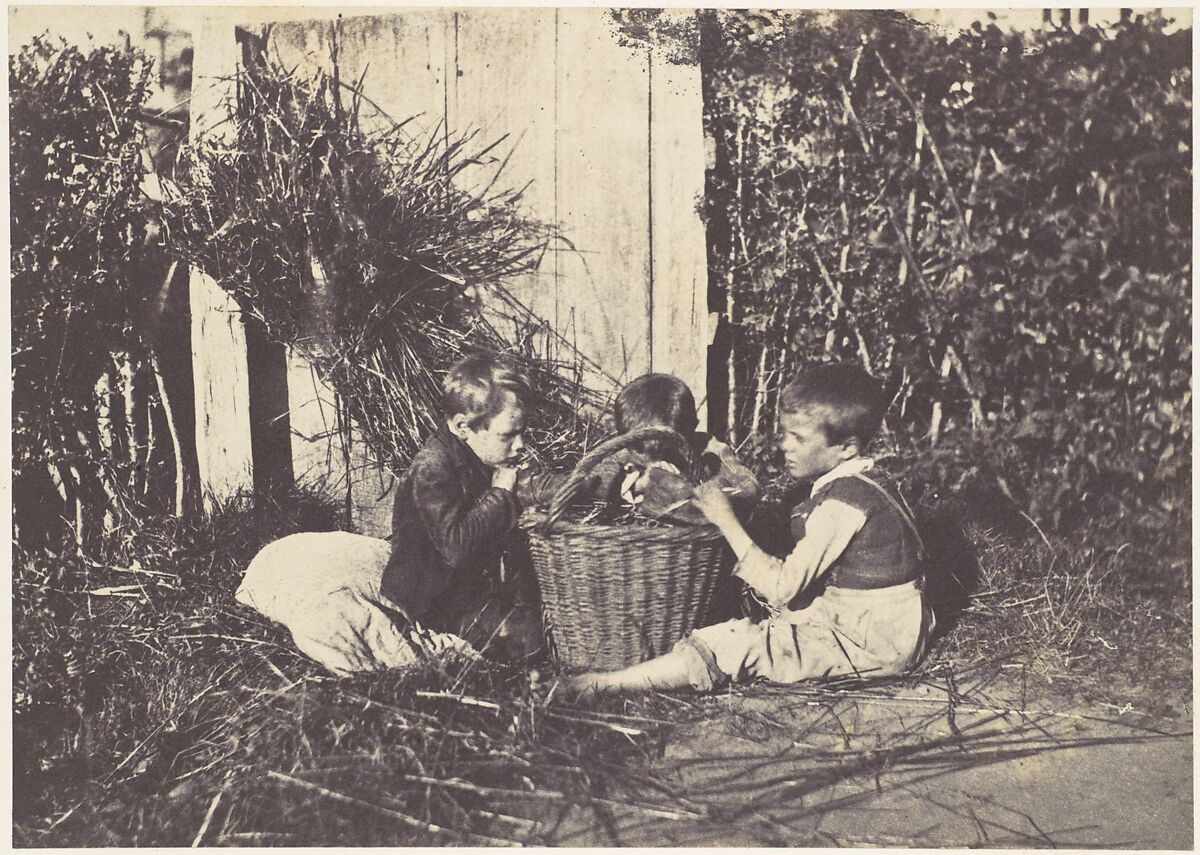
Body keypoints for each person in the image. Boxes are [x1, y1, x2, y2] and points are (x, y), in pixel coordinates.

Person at [564, 364, 933, 696]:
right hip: (889, 623)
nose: (783, 445)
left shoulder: (842, 504)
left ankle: (604, 684)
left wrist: (727, 521)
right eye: (784, 433)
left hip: (869, 642)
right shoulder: (867, 480)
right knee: (771, 609)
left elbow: (781, 585)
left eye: (798, 438)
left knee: (734, 642)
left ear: (846, 448)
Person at [237, 351, 545, 676]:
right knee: (529, 641)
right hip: (428, 598)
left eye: (522, 432)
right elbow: (455, 547)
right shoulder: (433, 471)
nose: (520, 444)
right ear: (462, 426)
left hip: (464, 587)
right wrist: (499, 495)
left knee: (537, 627)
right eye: (508, 435)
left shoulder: (475, 454)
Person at [610, 373, 759, 525]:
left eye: (668, 451)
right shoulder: (621, 455)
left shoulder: (706, 448)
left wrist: (680, 487)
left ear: (691, 429)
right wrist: (640, 483)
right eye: (642, 451)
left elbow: (747, 488)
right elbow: (592, 481)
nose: (660, 461)